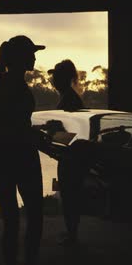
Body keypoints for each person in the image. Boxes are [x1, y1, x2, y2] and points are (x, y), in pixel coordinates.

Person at [0, 35, 45, 265]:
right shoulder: (17, 88)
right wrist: (36, 135)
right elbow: (14, 127)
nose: (34, 57)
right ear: (21, 58)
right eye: (31, 53)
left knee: (11, 221)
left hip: (1, 159)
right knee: (34, 217)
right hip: (22, 157)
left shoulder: (1, 85)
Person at [48, 59, 86, 246]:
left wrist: (52, 135)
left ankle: (73, 234)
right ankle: (72, 232)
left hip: (72, 157)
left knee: (70, 195)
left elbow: (72, 133)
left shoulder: (69, 100)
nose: (53, 79)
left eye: (56, 76)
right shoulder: (68, 97)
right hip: (70, 155)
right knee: (70, 194)